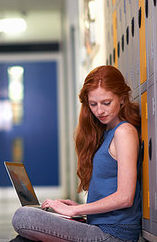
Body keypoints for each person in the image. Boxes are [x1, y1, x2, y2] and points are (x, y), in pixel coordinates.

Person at [11, 65, 142, 242]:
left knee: (24, 216)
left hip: (114, 234)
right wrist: (79, 207)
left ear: (122, 99)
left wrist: (76, 210)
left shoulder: (124, 132)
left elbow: (125, 198)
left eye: (106, 103)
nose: (99, 111)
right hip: (97, 226)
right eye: (93, 104)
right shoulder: (105, 133)